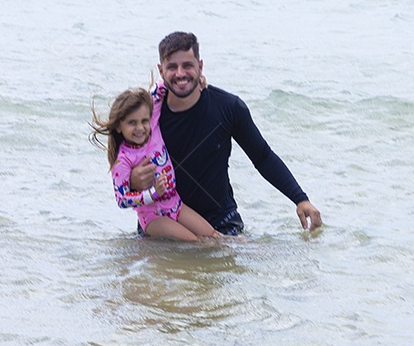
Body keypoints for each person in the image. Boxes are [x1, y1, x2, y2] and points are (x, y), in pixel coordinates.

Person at [130, 31, 322, 235]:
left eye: (187, 65)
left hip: (221, 225)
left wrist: (300, 199)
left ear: (200, 66)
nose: (180, 73)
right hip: (162, 225)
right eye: (172, 67)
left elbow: (263, 157)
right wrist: (133, 179)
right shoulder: (147, 116)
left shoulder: (228, 107)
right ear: (161, 70)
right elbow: (122, 164)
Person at [90, 87, 220, 241]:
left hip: (176, 205)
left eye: (144, 121)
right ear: (119, 126)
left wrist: (198, 81)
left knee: (214, 236)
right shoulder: (123, 160)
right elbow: (122, 199)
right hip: (153, 217)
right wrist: (152, 194)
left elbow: (160, 89)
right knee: (194, 242)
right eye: (132, 122)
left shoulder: (153, 129)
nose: (140, 128)